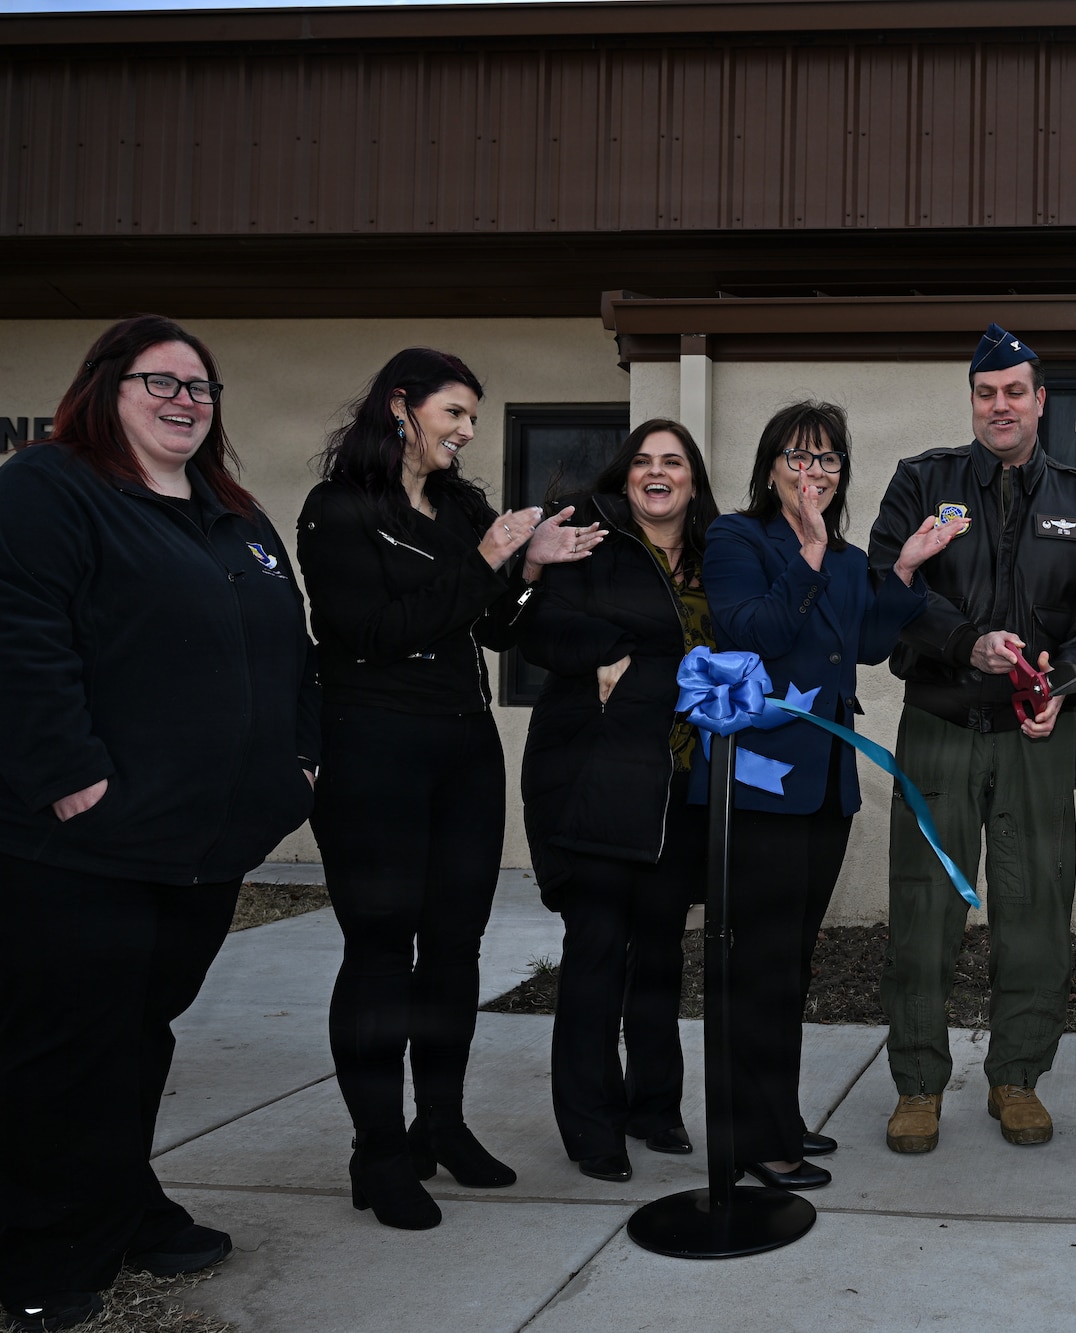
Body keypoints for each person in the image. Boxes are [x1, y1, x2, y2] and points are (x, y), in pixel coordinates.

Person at [0, 316, 319, 1332]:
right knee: (63, 1047)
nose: (186, 400)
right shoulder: (48, 489)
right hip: (83, 842)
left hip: (202, 844)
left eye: (202, 387)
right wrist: (69, 775)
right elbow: (20, 633)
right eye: (162, 381)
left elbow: (290, 648)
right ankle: (34, 1253)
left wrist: (297, 764)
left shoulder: (232, 512)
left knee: (137, 1035)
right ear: (105, 387)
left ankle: (121, 1204)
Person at [297, 348, 603, 1230]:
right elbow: (368, 631)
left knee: (456, 950)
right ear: (401, 405)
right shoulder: (339, 510)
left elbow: (496, 627)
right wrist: (490, 557)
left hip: (464, 751)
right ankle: (379, 1151)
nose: (468, 431)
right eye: (456, 412)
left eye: (473, 416)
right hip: (373, 753)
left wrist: (533, 567)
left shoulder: (465, 506)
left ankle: (441, 1124)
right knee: (382, 952)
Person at [866, 324, 1076, 1153]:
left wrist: (1068, 683)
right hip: (940, 727)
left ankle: (1016, 1076)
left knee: (1037, 910)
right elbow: (886, 585)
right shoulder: (922, 481)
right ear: (972, 401)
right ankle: (917, 1085)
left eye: (1015, 391)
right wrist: (964, 642)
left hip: (1034, 737)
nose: (1000, 406)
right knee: (922, 907)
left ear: (1040, 402)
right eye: (987, 393)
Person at [704, 400, 964, 1189]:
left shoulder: (850, 558)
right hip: (756, 785)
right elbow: (751, 631)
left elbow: (871, 647)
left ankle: (777, 1117)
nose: (814, 472)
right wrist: (808, 557)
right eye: (799, 456)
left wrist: (909, 567)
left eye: (829, 460)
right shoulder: (736, 537)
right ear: (770, 465)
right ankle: (752, 1134)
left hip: (823, 787)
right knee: (761, 964)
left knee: (794, 963)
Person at [518, 419, 719, 1184]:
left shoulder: (712, 557)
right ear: (624, 475)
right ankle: (590, 1123)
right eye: (643, 461)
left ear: (694, 481)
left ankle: (655, 1105)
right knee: (597, 951)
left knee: (662, 952)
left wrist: (644, 658)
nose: (657, 472)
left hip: (680, 785)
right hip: (596, 773)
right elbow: (542, 628)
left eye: (673, 462)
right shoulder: (590, 538)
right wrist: (611, 651)